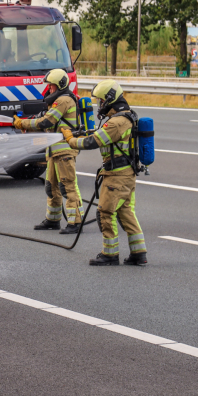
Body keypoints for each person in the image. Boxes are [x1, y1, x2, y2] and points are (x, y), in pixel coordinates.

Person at [62, 80, 147, 266]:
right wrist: (83, 132)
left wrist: (70, 139)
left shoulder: (116, 123)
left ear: (110, 99)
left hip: (116, 176)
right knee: (125, 213)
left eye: (101, 101)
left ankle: (110, 254)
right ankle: (139, 253)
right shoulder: (126, 117)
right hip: (125, 174)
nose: (100, 105)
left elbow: (93, 142)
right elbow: (102, 134)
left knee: (105, 213)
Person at [13, 69, 83, 234]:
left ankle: (75, 222)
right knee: (51, 187)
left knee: (68, 187)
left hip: (64, 152)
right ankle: (53, 220)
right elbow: (49, 125)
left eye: (51, 86)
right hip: (54, 152)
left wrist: (22, 124)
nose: (49, 89)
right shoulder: (56, 102)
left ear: (59, 86)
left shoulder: (64, 100)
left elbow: (47, 121)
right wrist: (28, 127)